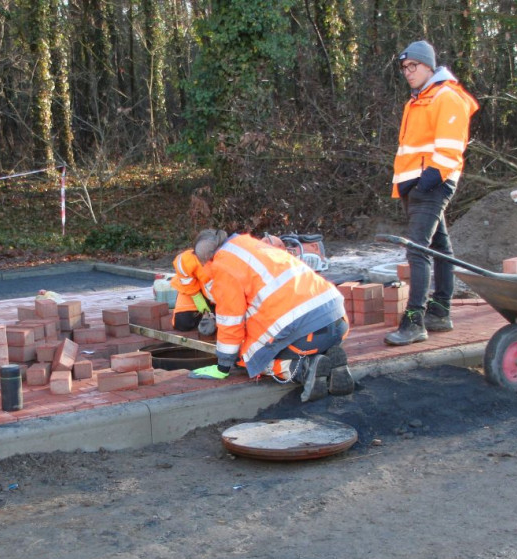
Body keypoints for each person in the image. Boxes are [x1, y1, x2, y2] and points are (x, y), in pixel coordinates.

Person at [385, 40, 479, 346]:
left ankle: (415, 321)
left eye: (413, 66)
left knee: (418, 249)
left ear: (429, 66)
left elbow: (450, 148)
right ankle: (440, 311)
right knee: (439, 246)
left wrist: (428, 180)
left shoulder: (446, 97)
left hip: (432, 182)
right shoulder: (418, 100)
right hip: (418, 183)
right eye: (404, 68)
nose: (408, 73)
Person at [188, 229, 354, 402]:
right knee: (277, 338)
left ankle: (304, 368)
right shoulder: (251, 245)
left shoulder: (223, 267)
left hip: (306, 333)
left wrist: (223, 365)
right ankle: (330, 358)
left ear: (205, 259)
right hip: (337, 321)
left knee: (250, 359)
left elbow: (231, 321)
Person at [170, 247, 215, 332]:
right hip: (193, 288)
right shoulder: (198, 259)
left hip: (215, 298)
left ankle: (211, 314)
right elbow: (182, 262)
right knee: (183, 323)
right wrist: (196, 296)